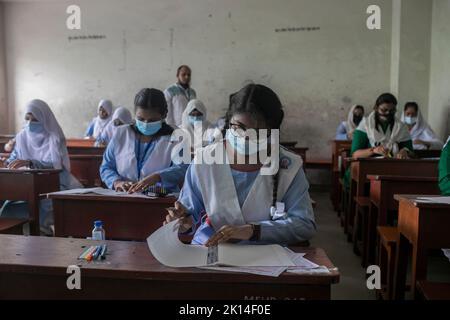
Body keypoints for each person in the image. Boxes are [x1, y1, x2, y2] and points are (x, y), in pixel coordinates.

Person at [164, 84, 316, 246]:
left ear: (272, 130)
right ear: (229, 122)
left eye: (257, 131)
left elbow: (304, 224)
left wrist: (254, 231)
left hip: (266, 258)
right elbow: (189, 216)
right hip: (212, 251)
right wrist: (182, 222)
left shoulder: (288, 166)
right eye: (238, 127)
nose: (245, 137)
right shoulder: (204, 160)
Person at [0, 99, 82, 235]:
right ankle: (16, 239)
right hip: (26, 184)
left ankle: (42, 237)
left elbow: (55, 165)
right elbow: (15, 159)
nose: (30, 123)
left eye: (35, 119)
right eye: (28, 118)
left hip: (55, 183)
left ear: (44, 119)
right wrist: (7, 162)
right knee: (8, 208)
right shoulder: (22, 137)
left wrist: (31, 162)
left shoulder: (54, 137)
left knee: (44, 206)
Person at [100, 88, 186, 193]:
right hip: (125, 197)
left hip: (162, 198)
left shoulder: (177, 136)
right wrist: (116, 182)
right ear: (135, 114)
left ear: (164, 115)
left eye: (152, 120)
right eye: (140, 119)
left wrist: (158, 177)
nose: (145, 124)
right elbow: (106, 166)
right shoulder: (121, 134)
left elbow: (183, 168)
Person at [343, 93, 413, 190]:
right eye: (384, 110)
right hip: (366, 170)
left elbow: (410, 150)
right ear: (376, 108)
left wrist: (404, 150)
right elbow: (355, 154)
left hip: (392, 169)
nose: (388, 113)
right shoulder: (365, 126)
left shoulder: (401, 127)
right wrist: (374, 150)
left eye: (391, 110)